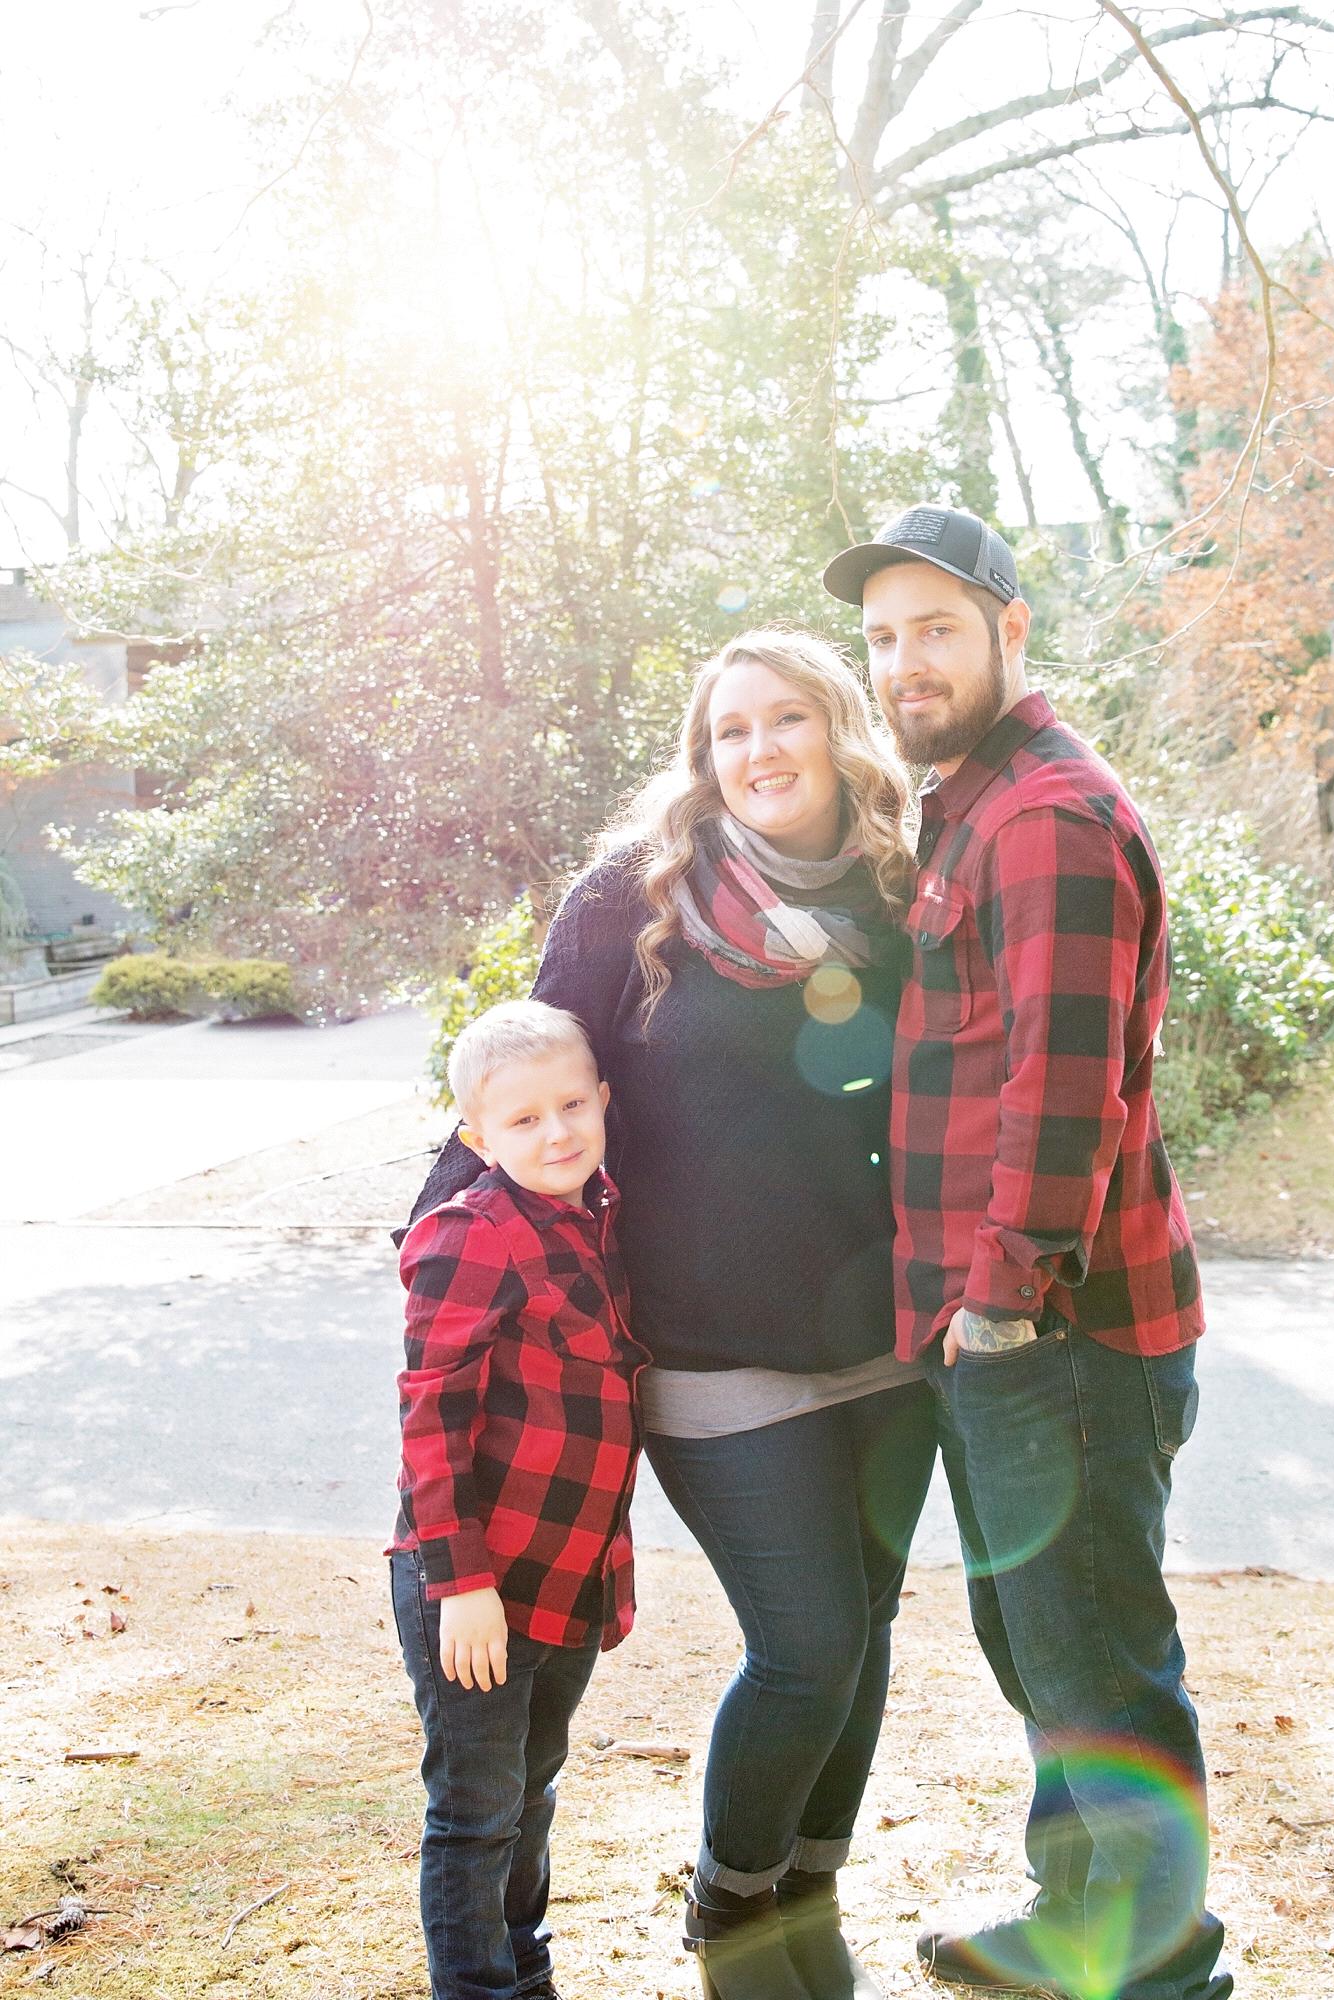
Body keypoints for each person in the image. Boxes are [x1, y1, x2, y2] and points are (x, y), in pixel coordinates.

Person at [410, 631, 937, 2000]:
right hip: (706, 1349)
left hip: (887, 1342)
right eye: (729, 729)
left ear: (839, 731)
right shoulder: (630, 898)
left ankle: (810, 1888)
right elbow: (521, 1088)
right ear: (703, 757)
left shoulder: (901, 889)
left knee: (867, 1638)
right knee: (806, 1646)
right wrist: (441, 1251)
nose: (759, 750)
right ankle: (733, 1903)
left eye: (787, 718)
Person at [822, 508, 1232, 2000]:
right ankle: (1078, 1926)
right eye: (883, 637)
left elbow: (1065, 1092)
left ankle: (1159, 1968)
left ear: (1010, 630)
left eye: (936, 628)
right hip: (1008, 1330)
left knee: (1097, 1662)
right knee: (1043, 1648)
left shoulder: (1047, 815)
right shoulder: (972, 802)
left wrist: (997, 1308)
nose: (905, 662)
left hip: (1058, 1333)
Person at [390, 999, 648, 2000]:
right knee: (475, 1809)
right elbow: (430, 1420)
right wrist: (461, 1584)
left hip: (566, 1571)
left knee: (531, 1791)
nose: (557, 1133)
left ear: (604, 1099)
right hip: (474, 1582)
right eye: (524, 1119)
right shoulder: (470, 1235)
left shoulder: (600, 1213)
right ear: (477, 1137)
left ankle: (524, 1970)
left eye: (572, 1105)